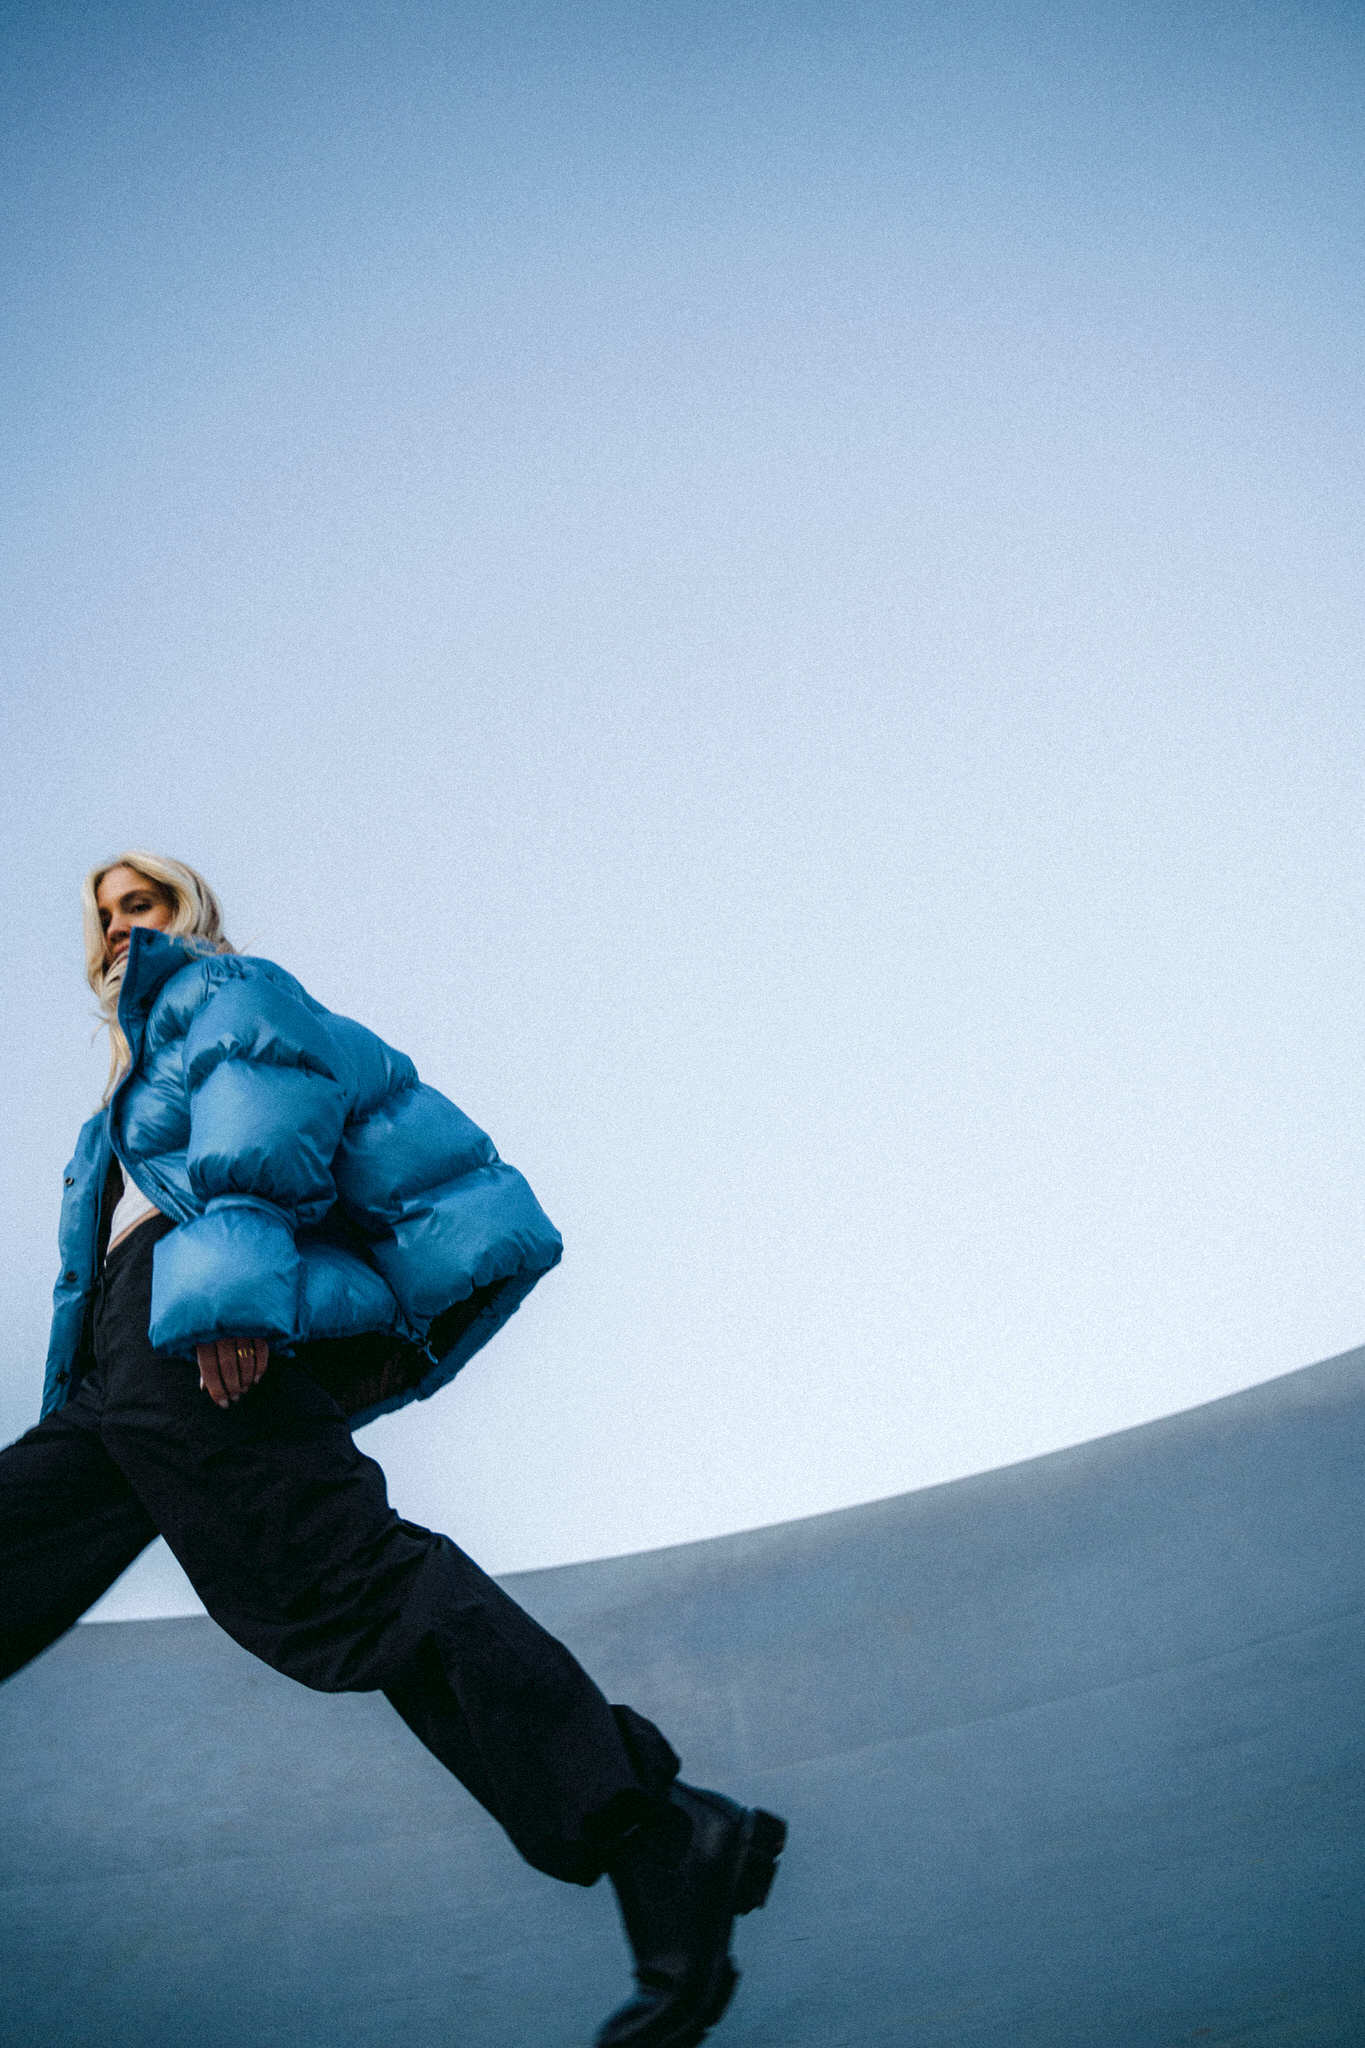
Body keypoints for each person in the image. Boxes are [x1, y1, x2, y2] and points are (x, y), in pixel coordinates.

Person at [0, 852, 786, 2048]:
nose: (115, 928)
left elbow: (265, 1108)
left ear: (186, 914)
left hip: (190, 1311)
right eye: (101, 916)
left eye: (137, 904)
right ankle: (661, 1824)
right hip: (122, 1362)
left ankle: (655, 1830)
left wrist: (230, 1293)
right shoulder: (129, 1072)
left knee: (342, 1581)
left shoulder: (218, 988)